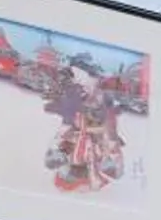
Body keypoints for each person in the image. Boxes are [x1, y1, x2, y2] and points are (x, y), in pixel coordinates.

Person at [44, 56, 126, 194]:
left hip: (93, 139)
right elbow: (68, 117)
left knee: (91, 153)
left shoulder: (99, 98)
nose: (77, 81)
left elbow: (108, 129)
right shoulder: (76, 95)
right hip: (81, 136)